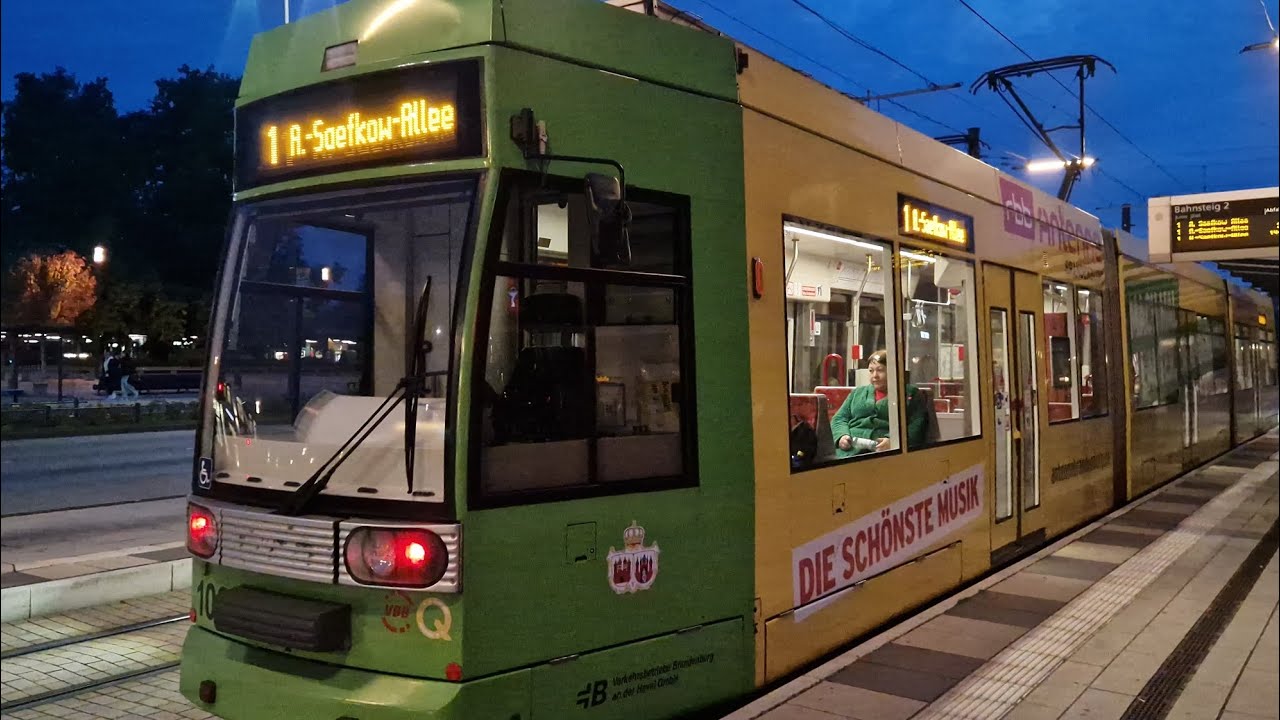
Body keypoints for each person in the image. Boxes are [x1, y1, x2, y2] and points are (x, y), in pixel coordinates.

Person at [831, 350, 928, 458]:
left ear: (893, 371)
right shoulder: (857, 393)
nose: (875, 375)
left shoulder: (910, 394)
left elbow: (917, 424)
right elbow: (839, 418)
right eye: (871, 371)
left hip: (887, 454)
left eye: (880, 370)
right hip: (849, 452)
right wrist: (842, 436)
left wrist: (894, 442)